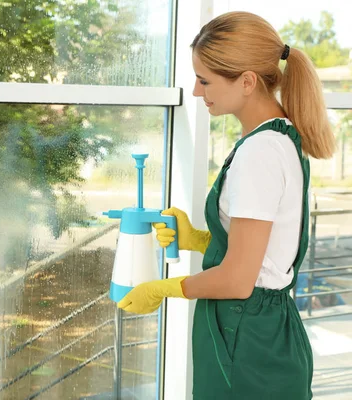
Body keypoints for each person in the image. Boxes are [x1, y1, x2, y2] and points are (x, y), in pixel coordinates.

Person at [116, 11, 336, 399]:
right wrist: (200, 240)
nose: (198, 93)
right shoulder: (281, 137)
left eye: (205, 80)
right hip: (265, 331)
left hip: (245, 338)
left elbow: (238, 280)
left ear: (247, 81)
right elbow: (264, 252)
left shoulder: (260, 153)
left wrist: (164, 289)